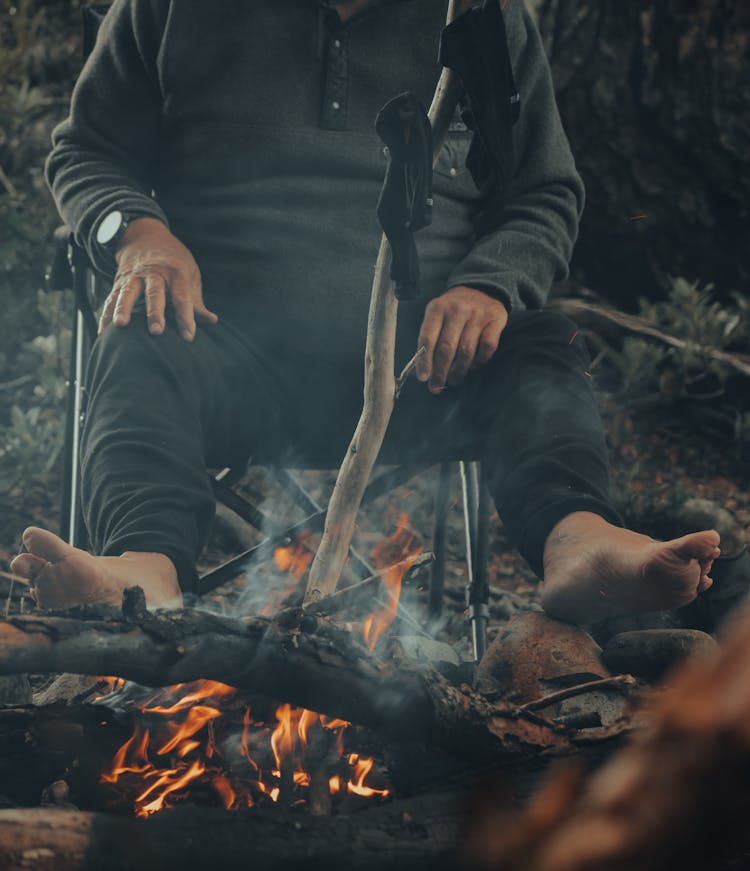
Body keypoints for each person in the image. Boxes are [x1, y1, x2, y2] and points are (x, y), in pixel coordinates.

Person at [12, 0, 720, 625]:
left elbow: (545, 193)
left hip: (428, 371)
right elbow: (87, 151)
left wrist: (489, 285)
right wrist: (137, 234)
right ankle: (144, 572)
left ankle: (580, 540)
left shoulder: (481, 16)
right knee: (141, 332)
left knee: (539, 343)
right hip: (224, 356)